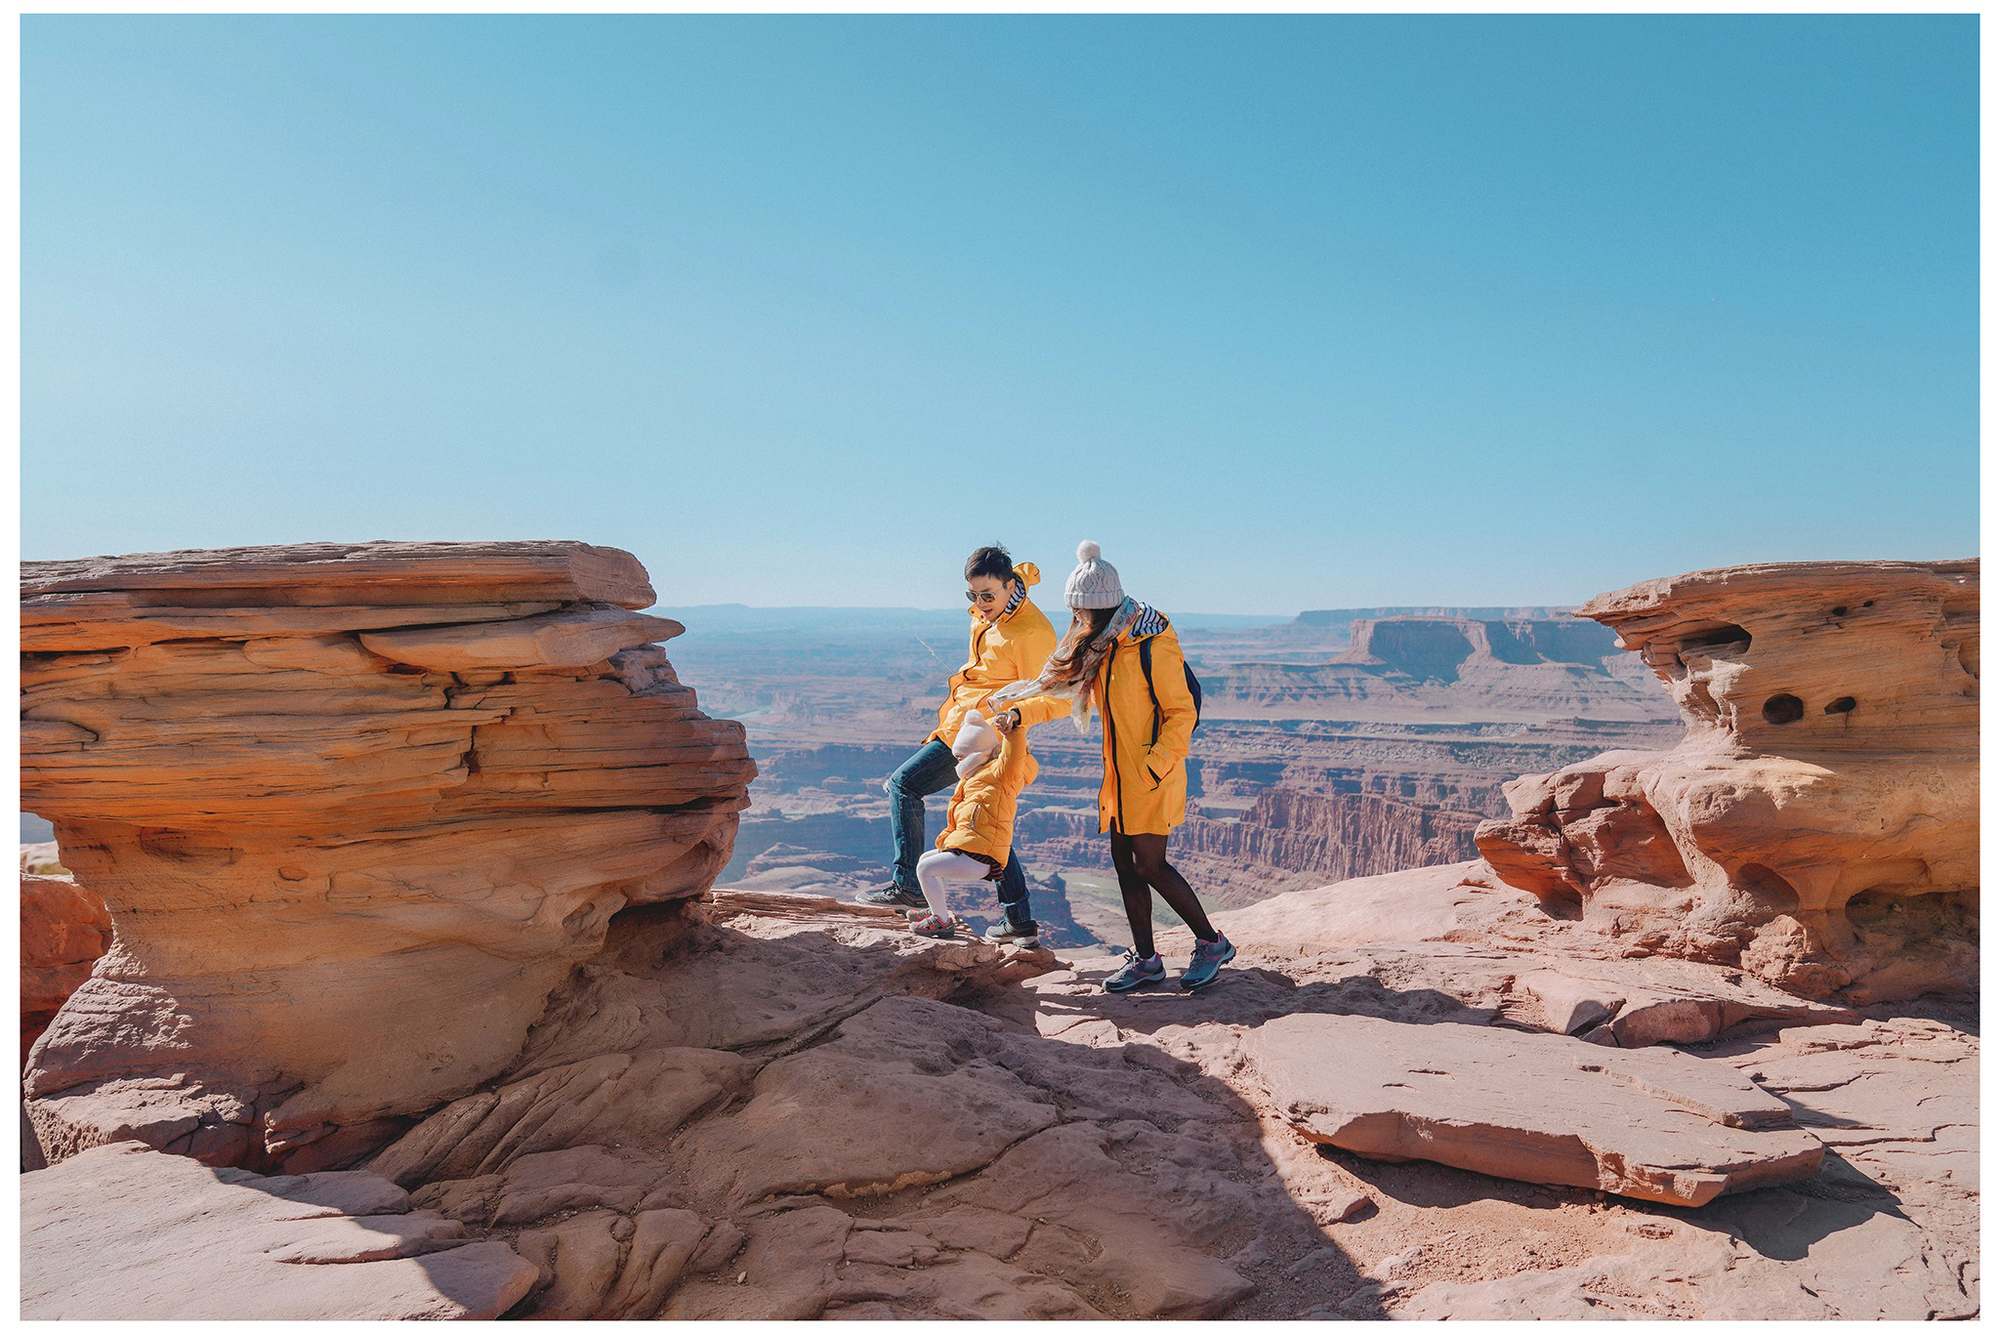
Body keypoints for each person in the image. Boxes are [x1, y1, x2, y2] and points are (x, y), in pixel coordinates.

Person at [989, 541, 1234, 991]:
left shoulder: (1149, 644)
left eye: (1082, 613)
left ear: (1101, 609)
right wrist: (1016, 707)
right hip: (1119, 775)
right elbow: (1059, 686)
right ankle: (1146, 960)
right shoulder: (1102, 643)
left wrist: (1152, 767)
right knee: (1124, 863)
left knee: (1151, 865)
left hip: (1148, 774)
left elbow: (1182, 713)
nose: (1076, 621)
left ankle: (1211, 942)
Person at [856, 546, 1068, 945]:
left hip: (984, 734)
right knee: (987, 824)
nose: (979, 603)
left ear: (1010, 586)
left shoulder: (1031, 632)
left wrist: (1014, 717)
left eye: (987, 595)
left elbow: (1056, 697)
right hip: (963, 726)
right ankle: (1018, 919)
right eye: (972, 595)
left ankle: (909, 885)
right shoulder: (995, 612)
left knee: (905, 784)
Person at [906, 704, 1038, 940]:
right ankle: (938, 908)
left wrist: (1014, 729)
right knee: (925, 860)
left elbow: (1014, 754)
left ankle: (942, 922)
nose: (958, 762)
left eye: (961, 757)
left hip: (981, 856)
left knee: (925, 869)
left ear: (976, 753)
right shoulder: (974, 776)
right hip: (972, 848)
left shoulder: (1000, 773)